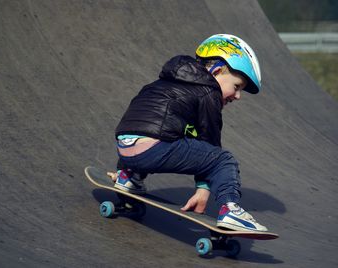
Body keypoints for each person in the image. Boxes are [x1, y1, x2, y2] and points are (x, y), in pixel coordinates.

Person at [108, 34, 267, 232]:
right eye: (236, 87)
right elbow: (209, 142)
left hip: (125, 147)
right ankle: (231, 210)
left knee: (173, 135)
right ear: (216, 72)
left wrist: (124, 165)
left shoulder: (166, 82)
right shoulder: (209, 93)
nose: (238, 96)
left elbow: (139, 120)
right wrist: (204, 188)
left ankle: (128, 177)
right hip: (152, 149)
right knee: (223, 159)